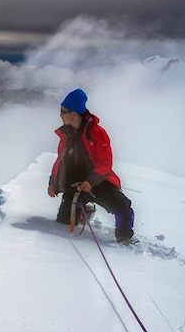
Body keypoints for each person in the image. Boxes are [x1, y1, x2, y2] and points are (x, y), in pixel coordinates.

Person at [48, 88, 135, 243]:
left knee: (123, 207)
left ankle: (124, 238)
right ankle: (84, 212)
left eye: (63, 111)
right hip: (75, 187)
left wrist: (91, 181)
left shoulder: (97, 133)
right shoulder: (66, 135)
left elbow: (105, 162)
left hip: (98, 183)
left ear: (73, 114)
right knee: (63, 222)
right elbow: (60, 161)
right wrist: (52, 183)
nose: (60, 115)